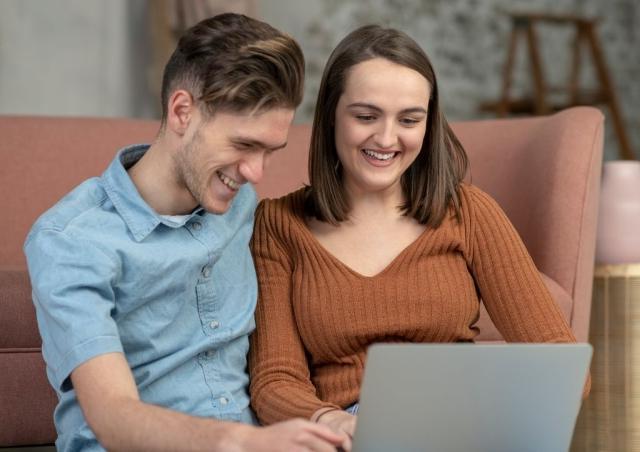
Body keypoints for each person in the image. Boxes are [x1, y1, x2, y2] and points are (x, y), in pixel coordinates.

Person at [248, 24, 583, 451]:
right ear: (332, 113)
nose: (387, 139)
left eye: (409, 119)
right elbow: (275, 379)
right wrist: (327, 419)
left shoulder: (468, 212)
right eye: (366, 116)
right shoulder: (279, 225)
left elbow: (561, 361)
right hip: (343, 435)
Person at [24, 13, 347, 452]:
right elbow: (113, 417)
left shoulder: (242, 206)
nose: (255, 172)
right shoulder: (71, 240)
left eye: (270, 151)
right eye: (243, 145)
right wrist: (244, 443)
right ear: (182, 112)